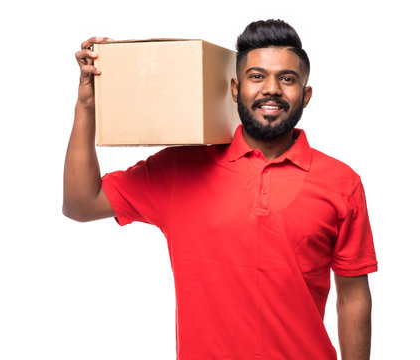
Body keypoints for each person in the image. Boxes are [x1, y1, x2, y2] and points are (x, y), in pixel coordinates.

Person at [64, 19, 377, 360]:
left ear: (306, 95)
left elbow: (353, 296)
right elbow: (81, 203)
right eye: (257, 76)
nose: (271, 89)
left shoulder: (341, 183)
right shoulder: (179, 168)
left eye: (287, 79)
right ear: (234, 88)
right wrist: (87, 106)